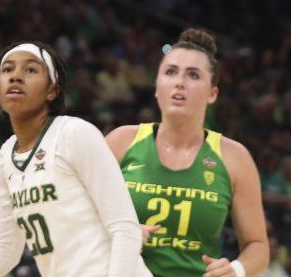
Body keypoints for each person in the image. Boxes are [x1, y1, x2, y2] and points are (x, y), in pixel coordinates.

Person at [0, 42, 150, 277]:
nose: (16, 76)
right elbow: (5, 249)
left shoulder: (74, 133)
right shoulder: (6, 154)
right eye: (8, 70)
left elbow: (125, 228)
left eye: (30, 70)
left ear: (52, 90)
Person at [106, 29, 270, 277]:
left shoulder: (234, 157)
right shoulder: (120, 142)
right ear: (157, 87)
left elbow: (258, 246)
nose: (179, 81)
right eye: (170, 72)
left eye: (193, 75)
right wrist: (119, 235)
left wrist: (236, 269)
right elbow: (76, 218)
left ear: (213, 93)